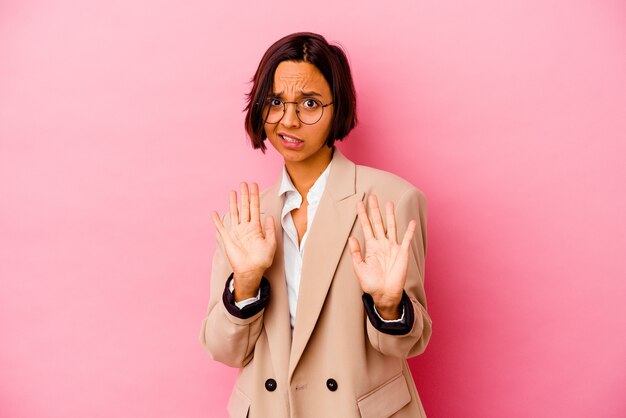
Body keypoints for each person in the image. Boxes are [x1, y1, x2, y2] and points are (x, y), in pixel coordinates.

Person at [199, 32, 432, 418]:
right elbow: (225, 350)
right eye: (275, 101)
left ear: (337, 107)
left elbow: (405, 346)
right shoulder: (247, 218)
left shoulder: (390, 201)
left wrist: (389, 306)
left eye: (309, 103)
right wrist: (246, 282)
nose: (289, 120)